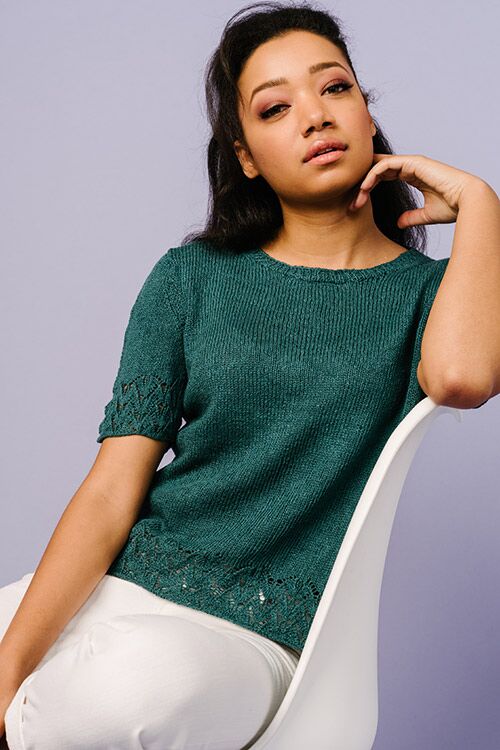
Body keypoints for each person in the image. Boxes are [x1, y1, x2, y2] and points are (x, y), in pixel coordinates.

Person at [1, 2, 495, 748]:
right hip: (123, 588)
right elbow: (111, 489)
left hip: (258, 641)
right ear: (247, 157)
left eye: (335, 88)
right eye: (275, 107)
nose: (316, 116)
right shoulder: (191, 278)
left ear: (367, 114)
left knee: (119, 700)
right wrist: (8, 670)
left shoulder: (431, 297)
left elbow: (462, 379)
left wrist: (482, 205)